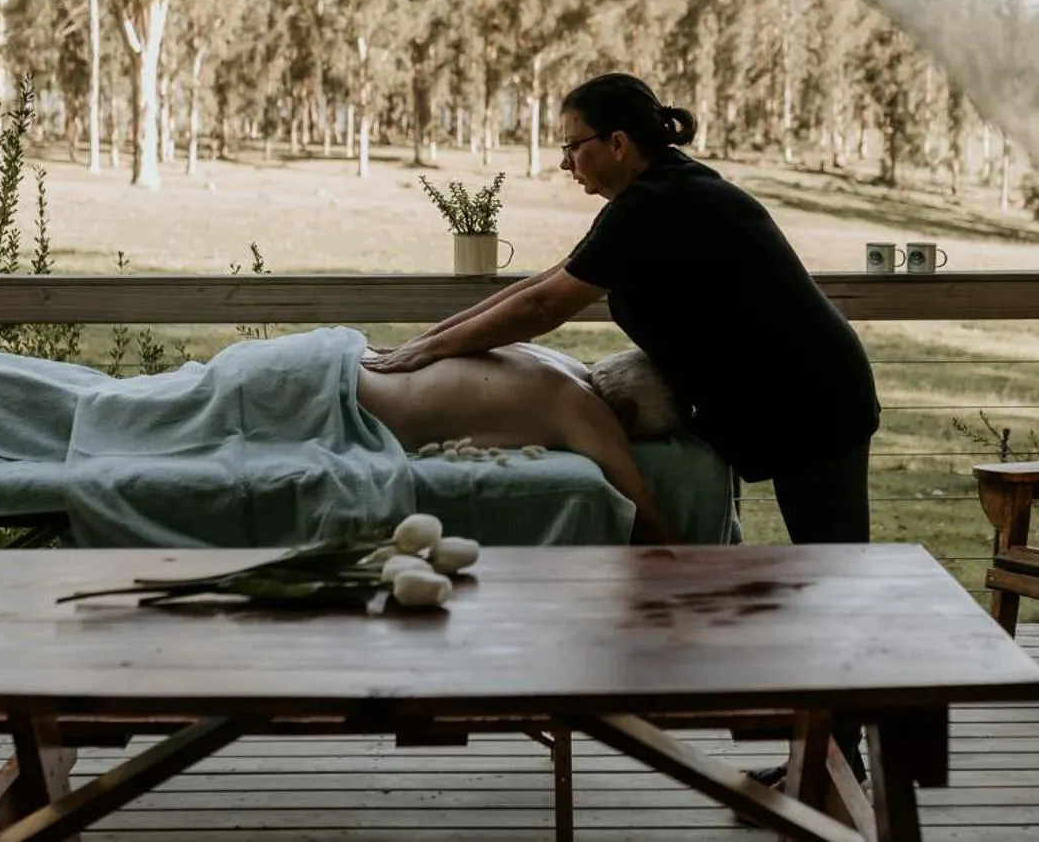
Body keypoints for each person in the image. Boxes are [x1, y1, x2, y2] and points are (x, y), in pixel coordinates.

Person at [364, 71, 882, 782]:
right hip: (792, 395)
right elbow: (540, 283)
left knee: (834, 577)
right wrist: (428, 341)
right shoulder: (654, 193)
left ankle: (842, 759)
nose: (564, 162)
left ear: (616, 142)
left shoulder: (660, 202)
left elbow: (544, 307)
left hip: (812, 398)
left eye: (572, 146)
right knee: (828, 575)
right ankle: (830, 757)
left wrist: (426, 352)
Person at [355, 343, 685, 543]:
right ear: (624, 413)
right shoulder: (584, 408)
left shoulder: (554, 358)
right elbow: (649, 517)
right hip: (349, 401)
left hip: (349, 356)